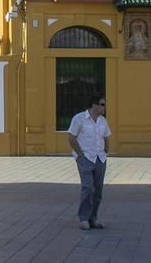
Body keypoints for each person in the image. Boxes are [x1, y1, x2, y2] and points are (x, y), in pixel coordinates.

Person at [67, 94, 110, 230]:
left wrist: (105, 151)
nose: (104, 107)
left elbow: (106, 137)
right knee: (88, 187)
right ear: (94, 105)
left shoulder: (103, 121)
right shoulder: (79, 119)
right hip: (85, 158)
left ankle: (93, 217)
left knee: (98, 190)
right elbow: (71, 136)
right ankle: (84, 218)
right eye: (102, 104)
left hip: (100, 158)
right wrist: (79, 153)